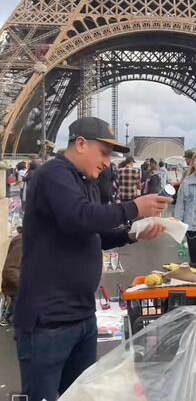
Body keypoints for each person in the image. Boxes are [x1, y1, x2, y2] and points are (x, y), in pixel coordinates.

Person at [14, 117, 169, 399]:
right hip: (49, 321)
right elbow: (79, 218)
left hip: (81, 316)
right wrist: (134, 207)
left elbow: (92, 233)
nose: (108, 162)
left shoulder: (85, 182)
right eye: (104, 153)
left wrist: (132, 234)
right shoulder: (53, 174)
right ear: (81, 144)